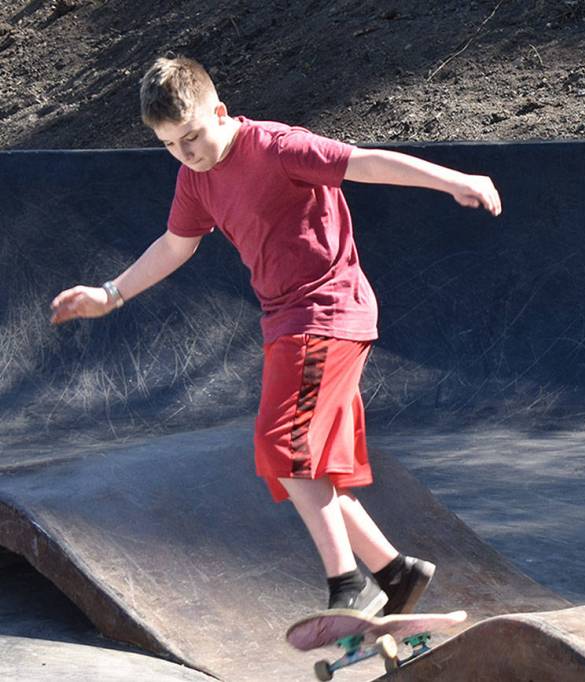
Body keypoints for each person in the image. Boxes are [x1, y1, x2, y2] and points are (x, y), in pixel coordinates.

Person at [49, 56, 502, 624]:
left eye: (192, 136)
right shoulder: (195, 177)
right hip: (287, 321)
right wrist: (110, 294)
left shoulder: (278, 147)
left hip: (327, 312)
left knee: (281, 443)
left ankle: (348, 585)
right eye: (169, 145)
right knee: (306, 468)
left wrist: (455, 179)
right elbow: (175, 244)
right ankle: (394, 572)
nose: (186, 153)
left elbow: (364, 163)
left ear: (219, 111)